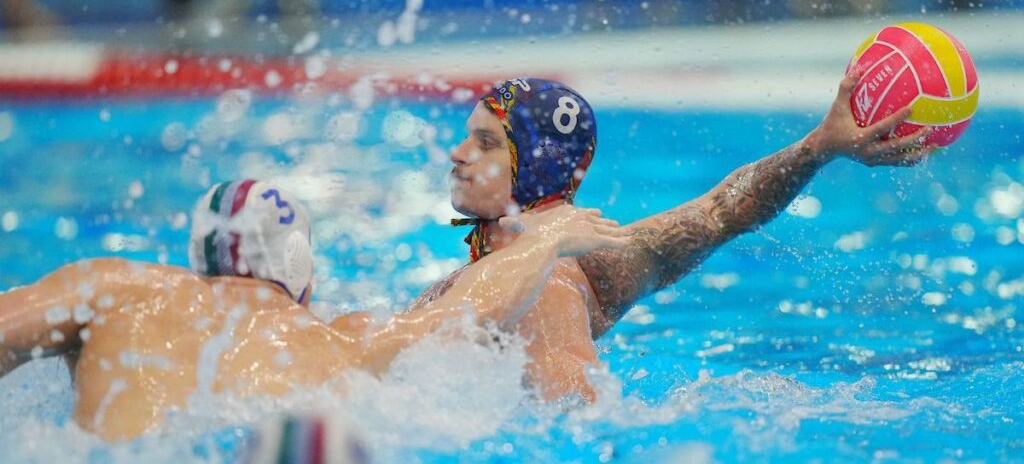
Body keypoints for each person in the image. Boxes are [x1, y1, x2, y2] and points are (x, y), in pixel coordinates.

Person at [412, 72, 936, 401]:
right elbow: (719, 212)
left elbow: (576, 409)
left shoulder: (541, 288)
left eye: (485, 144)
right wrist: (818, 147)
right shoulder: (595, 263)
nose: (458, 153)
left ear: (535, 169)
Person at [0, 180, 627, 441]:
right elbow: (466, 311)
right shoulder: (343, 341)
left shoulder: (117, 289)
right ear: (299, 266)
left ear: (199, 259)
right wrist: (546, 238)